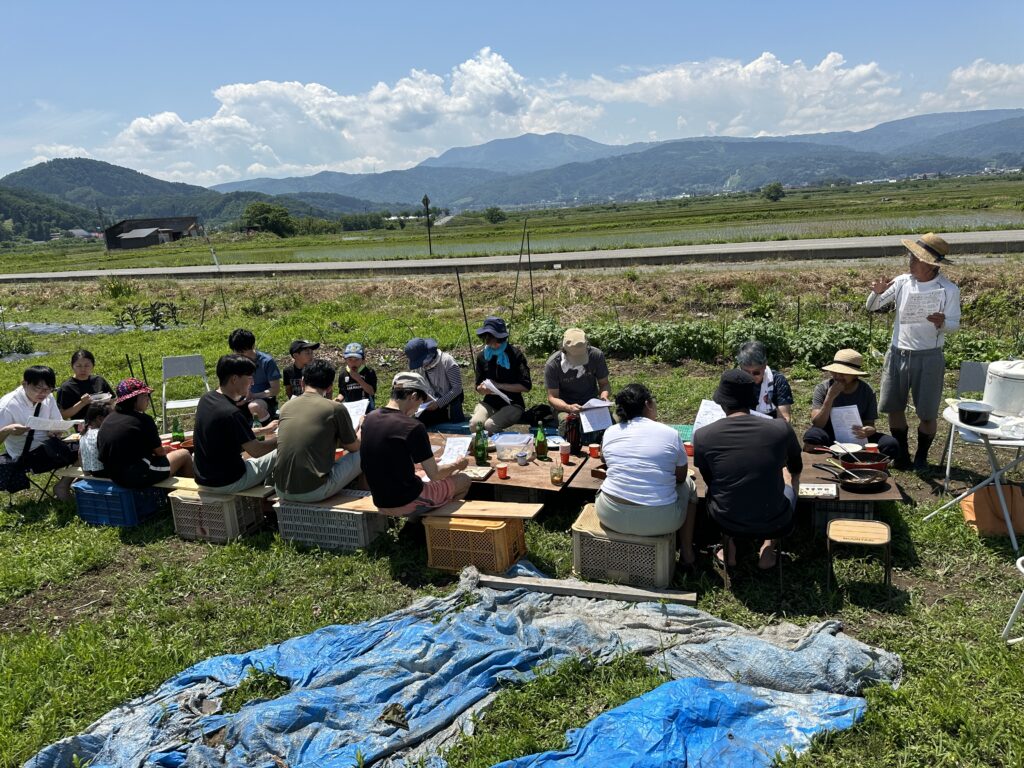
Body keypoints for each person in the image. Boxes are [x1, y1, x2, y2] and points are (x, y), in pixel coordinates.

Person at [865, 232, 961, 470]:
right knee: (894, 406)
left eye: (915, 258)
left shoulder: (948, 289)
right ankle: (902, 455)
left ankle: (921, 456)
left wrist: (941, 322)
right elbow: (872, 306)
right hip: (898, 352)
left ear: (931, 264)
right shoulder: (901, 282)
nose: (910, 261)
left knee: (927, 412)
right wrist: (876, 292)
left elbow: (954, 325)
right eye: (911, 256)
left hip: (929, 356)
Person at [694, 370, 802, 570]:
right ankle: (769, 545)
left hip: (726, 520)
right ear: (753, 401)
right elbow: (796, 466)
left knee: (719, 488)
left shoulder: (702, 436)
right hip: (775, 519)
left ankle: (729, 547)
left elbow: (709, 480)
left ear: (721, 403)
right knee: (791, 475)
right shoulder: (780, 429)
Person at [597, 383, 697, 569]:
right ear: (648, 404)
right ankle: (687, 553)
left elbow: (604, 458)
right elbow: (681, 477)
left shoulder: (610, 432)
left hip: (610, 515)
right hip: (660, 521)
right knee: (689, 486)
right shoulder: (670, 434)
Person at [360, 372, 471, 516]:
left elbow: (385, 458)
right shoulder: (412, 426)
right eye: (421, 402)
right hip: (407, 501)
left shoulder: (369, 419)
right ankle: (431, 524)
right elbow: (435, 475)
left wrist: (417, 465)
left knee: (427, 472)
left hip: (380, 499)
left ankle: (418, 522)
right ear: (413, 396)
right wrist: (459, 464)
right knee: (463, 479)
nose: (419, 408)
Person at [274, 359, 362, 502]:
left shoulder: (286, 407)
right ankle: (368, 493)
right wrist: (361, 429)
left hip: (281, 489)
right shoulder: (335, 408)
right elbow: (353, 447)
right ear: (329, 387)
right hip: (314, 491)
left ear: (302, 382)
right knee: (364, 452)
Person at [193, 354, 278, 493]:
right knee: (281, 450)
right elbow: (256, 451)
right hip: (229, 482)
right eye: (250, 378)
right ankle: (279, 494)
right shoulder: (231, 413)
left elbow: (234, 434)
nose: (253, 383)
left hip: (203, 479)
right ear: (234, 379)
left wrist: (266, 429)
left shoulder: (206, 399)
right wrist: (282, 439)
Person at [801, 349, 900, 461]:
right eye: (835, 372)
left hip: (857, 436)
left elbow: (870, 424)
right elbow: (817, 423)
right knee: (812, 436)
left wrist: (868, 430)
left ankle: (866, 461)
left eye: (843, 373)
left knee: (890, 444)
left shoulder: (866, 391)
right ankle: (831, 457)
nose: (838, 376)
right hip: (829, 433)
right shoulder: (823, 388)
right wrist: (830, 397)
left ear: (854, 375)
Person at [97, 378, 193, 488]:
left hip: (114, 475)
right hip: (136, 475)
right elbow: (160, 453)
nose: (148, 399)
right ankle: (192, 498)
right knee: (184, 454)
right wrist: (165, 450)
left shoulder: (109, 419)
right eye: (144, 396)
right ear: (133, 399)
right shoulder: (143, 420)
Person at [0, 365, 79, 498]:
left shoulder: (48, 397)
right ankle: (64, 486)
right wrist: (8, 430)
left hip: (51, 445)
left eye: (48, 389)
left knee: (92, 444)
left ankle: (74, 484)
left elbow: (57, 422)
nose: (43, 393)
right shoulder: (8, 405)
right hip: (26, 455)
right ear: (24, 384)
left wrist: (55, 431)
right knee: (88, 449)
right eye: (38, 388)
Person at [545, 328, 611, 445]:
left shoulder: (596, 356)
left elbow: (604, 384)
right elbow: (552, 397)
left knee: (610, 424)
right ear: (564, 350)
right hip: (565, 405)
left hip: (592, 404)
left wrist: (603, 398)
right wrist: (568, 407)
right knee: (568, 423)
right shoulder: (553, 364)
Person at [470, 316, 532, 434]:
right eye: (491, 341)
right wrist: (482, 389)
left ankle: (508, 444)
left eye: (499, 341)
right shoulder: (482, 357)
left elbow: (526, 386)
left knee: (490, 425)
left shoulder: (515, 355)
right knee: (474, 425)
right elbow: (478, 386)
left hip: (513, 404)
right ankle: (484, 448)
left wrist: (499, 386)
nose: (495, 345)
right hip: (490, 402)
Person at [405, 337, 465, 425]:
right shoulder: (419, 367)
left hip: (446, 404)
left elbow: (457, 388)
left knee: (419, 422)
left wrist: (438, 404)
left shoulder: (447, 361)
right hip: (427, 404)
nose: (420, 365)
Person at [227, 328, 281, 424]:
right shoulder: (234, 362)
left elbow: (275, 389)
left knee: (254, 406)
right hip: (241, 398)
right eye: (237, 352)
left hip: (263, 399)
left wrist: (254, 396)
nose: (240, 356)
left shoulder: (266, 361)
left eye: (243, 352)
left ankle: (268, 429)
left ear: (252, 346)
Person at [735, 340, 793, 423]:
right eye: (746, 372)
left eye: (756, 372)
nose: (751, 377)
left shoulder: (778, 381)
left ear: (765, 366)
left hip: (770, 424)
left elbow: (784, 418)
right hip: (743, 422)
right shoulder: (735, 379)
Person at [55, 349, 115, 421]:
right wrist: (82, 403)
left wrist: (108, 400)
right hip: (83, 425)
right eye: (78, 366)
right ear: (72, 366)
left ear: (93, 366)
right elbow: (63, 415)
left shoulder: (99, 380)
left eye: (87, 366)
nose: (83, 369)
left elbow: (114, 401)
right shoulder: (66, 387)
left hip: (106, 421)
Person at [335, 342, 377, 410]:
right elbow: (342, 393)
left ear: (363, 360)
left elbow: (371, 392)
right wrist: (338, 400)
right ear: (345, 360)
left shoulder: (369, 372)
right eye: (350, 360)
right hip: (350, 409)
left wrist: (359, 379)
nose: (353, 363)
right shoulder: (343, 374)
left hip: (367, 409)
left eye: (357, 359)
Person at [78, 402, 111, 476]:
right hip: (105, 473)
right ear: (99, 418)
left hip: (92, 472)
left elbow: (79, 454)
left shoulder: (84, 433)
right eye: (112, 416)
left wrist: (86, 474)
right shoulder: (102, 433)